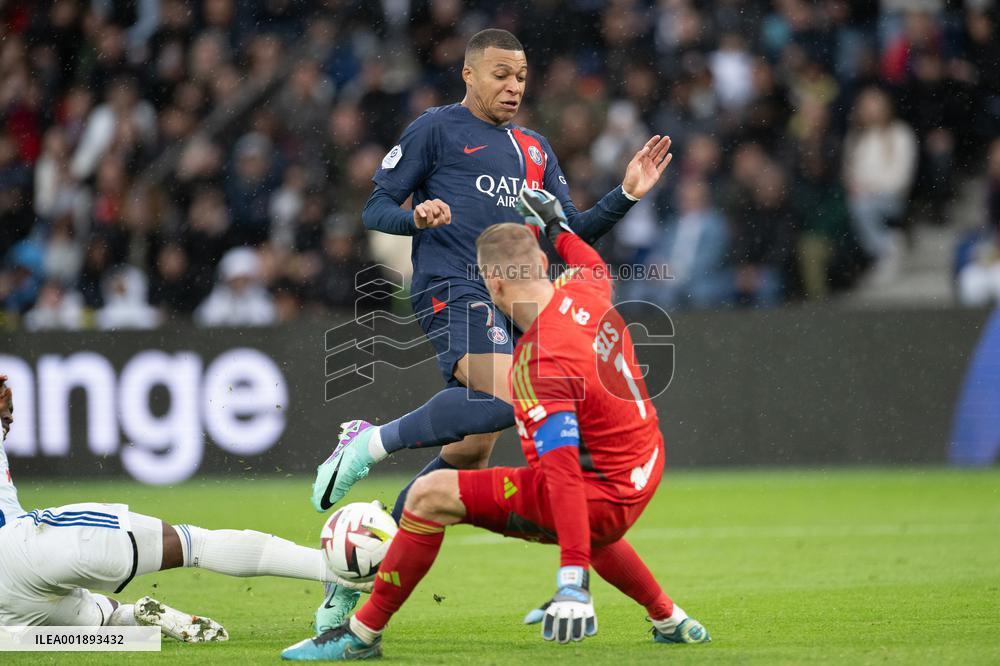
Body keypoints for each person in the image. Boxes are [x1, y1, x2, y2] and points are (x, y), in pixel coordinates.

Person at [311, 28, 673, 630]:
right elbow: (374, 208)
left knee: (469, 455)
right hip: (454, 285)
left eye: (522, 77)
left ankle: (356, 577)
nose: (513, 86)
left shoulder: (534, 148)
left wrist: (627, 194)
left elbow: (569, 228)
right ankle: (369, 442)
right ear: (469, 75)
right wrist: (413, 216)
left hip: (514, 303)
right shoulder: (436, 129)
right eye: (501, 74)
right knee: (516, 395)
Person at [282, 188, 710, 660]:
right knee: (589, 521)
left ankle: (359, 636)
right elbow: (582, 253)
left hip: (600, 492)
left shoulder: (538, 362)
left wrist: (572, 581)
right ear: (543, 267)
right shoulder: (587, 289)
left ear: (493, 284)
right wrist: (552, 224)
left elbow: (563, 474)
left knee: (429, 497)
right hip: (643, 466)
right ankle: (670, 618)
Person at [0, 375, 375, 638]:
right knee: (193, 544)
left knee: (104, 621)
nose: (12, 416)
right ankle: (342, 573)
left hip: (8, 610)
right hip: (24, 549)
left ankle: (135, 615)